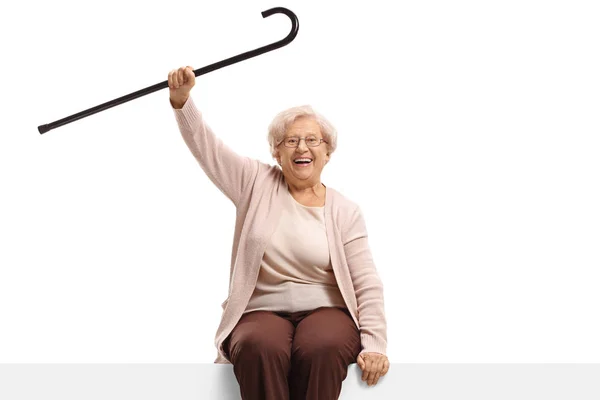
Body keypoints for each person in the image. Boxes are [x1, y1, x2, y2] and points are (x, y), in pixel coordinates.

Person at [168, 66, 389, 399]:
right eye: (291, 140)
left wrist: (375, 344)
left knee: (321, 347)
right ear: (277, 152)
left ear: (327, 152)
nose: (302, 147)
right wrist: (183, 102)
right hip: (261, 311)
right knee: (258, 346)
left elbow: (366, 283)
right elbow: (208, 149)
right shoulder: (255, 182)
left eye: (312, 140)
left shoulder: (345, 210)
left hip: (326, 311)